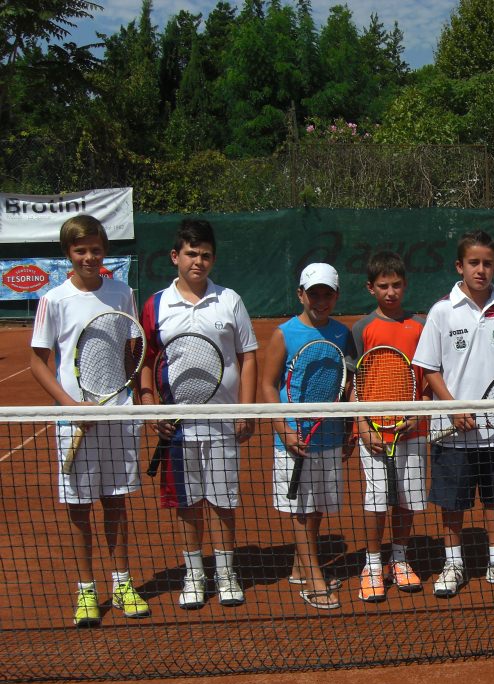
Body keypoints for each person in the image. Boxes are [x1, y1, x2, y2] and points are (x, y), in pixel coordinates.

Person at [29, 214, 151, 627]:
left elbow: (133, 349)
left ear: (104, 252)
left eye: (95, 249)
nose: (89, 256)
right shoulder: (54, 299)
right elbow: (38, 363)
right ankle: (86, 589)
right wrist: (69, 404)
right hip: (74, 420)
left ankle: (122, 583)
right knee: (79, 507)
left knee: (116, 502)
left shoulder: (122, 293)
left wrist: (132, 393)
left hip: (118, 417)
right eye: (80, 250)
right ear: (68, 253)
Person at [139, 218, 259, 608]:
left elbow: (247, 356)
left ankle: (226, 573)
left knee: (223, 501)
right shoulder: (156, 304)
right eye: (191, 253)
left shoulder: (230, 300)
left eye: (206, 255)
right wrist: (149, 407)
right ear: (176, 257)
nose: (199, 261)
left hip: (223, 421)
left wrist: (246, 410)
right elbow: (145, 360)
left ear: (213, 259)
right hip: (178, 426)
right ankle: (194, 575)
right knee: (186, 503)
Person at [412, 230, 494, 597]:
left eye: (488, 263)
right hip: (453, 430)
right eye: (474, 263)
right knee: (453, 503)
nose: (481, 270)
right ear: (460, 266)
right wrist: (452, 407)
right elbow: (429, 368)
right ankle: (454, 564)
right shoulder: (441, 310)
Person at [259, 262, 354, 610]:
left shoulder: (343, 334)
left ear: (336, 296)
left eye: (327, 293)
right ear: (301, 294)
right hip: (294, 437)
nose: (320, 300)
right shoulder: (285, 333)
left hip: (328, 434)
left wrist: (349, 425)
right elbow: (268, 385)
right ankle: (313, 577)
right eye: (313, 293)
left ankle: (301, 564)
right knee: (301, 508)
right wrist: (283, 430)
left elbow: (347, 383)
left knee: (318, 507)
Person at [351, 251, 429, 602]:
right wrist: (363, 425)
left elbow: (427, 379)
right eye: (383, 286)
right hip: (373, 431)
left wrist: (420, 413)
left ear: (405, 284)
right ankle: (371, 565)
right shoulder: (361, 328)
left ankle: (399, 559)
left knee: (408, 500)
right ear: (371, 288)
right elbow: (354, 383)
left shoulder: (420, 326)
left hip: (412, 430)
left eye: (396, 285)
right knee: (377, 499)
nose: (391, 292)